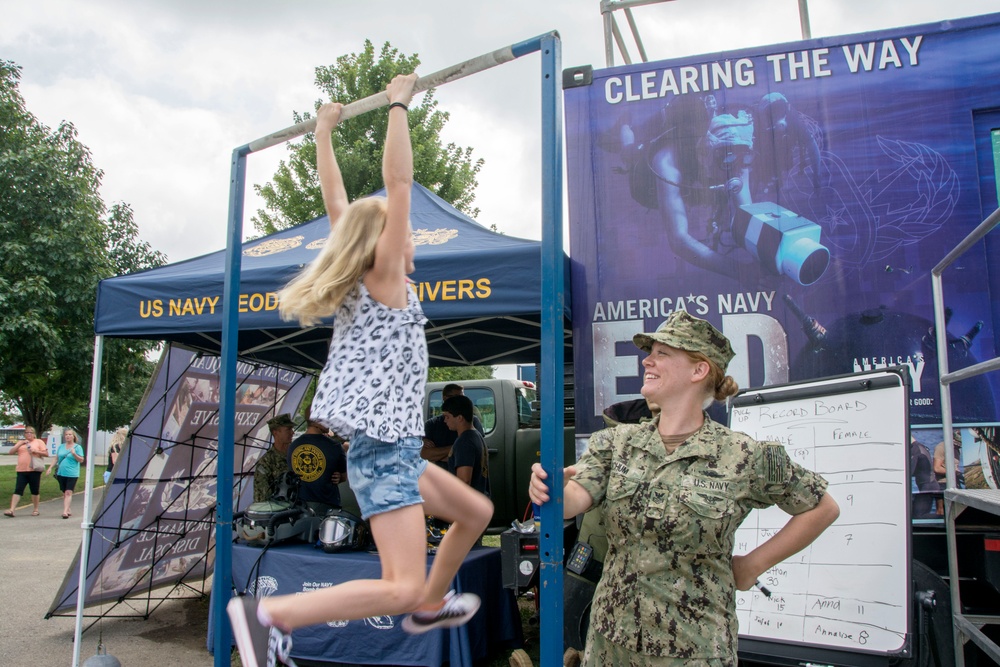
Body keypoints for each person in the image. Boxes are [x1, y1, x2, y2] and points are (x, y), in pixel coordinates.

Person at [227, 74, 493, 667]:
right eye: (406, 234)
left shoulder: (359, 288)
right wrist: (399, 103)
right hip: (386, 452)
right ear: (385, 246)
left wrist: (324, 132)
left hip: (389, 448)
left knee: (476, 511)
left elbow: (336, 207)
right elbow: (399, 183)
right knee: (396, 584)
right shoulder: (386, 282)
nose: (413, 241)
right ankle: (269, 615)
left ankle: (428, 603)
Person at [529, 311, 840, 665]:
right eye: (650, 352)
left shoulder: (744, 455)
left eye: (663, 353)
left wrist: (753, 565)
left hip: (694, 651)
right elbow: (572, 500)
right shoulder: (615, 443)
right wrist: (546, 490)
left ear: (699, 370)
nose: (648, 360)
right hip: (610, 643)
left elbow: (822, 507)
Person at [287, 414, 348, 512]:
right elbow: (344, 476)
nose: (329, 422)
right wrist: (339, 477)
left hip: (299, 507)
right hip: (328, 506)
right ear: (317, 421)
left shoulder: (292, 446)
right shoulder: (334, 446)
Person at [422, 383, 484, 466]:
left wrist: (438, 454)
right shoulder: (431, 424)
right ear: (445, 398)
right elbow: (425, 455)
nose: (461, 401)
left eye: (463, 397)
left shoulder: (472, 421)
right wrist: (459, 449)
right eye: (458, 397)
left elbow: (476, 453)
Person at [440, 395, 489, 496]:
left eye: (447, 417)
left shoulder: (464, 442)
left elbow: (464, 481)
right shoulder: (476, 435)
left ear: (460, 418)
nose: (445, 421)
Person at [5, 426, 48, 517]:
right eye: (27, 432)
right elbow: (11, 452)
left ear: (34, 434)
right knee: (18, 489)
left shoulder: (38, 442)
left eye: (31, 432)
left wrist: (36, 451)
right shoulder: (21, 443)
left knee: (34, 490)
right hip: (21, 470)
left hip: (34, 469)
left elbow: (46, 453)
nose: (29, 434)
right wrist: (19, 444)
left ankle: (35, 509)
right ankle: (12, 510)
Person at [254, 413, 294, 503]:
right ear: (276, 432)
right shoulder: (266, 462)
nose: (292, 432)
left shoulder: (297, 454)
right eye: (288, 429)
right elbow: (261, 499)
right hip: (280, 511)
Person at [48, 428, 85, 519]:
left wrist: (74, 454)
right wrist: (50, 468)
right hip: (61, 473)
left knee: (68, 492)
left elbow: (81, 460)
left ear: (73, 436)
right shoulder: (61, 447)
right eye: (66, 435)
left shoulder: (77, 447)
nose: (68, 436)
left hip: (72, 473)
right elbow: (56, 458)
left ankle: (65, 512)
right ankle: (68, 508)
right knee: (64, 492)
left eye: (70, 434)